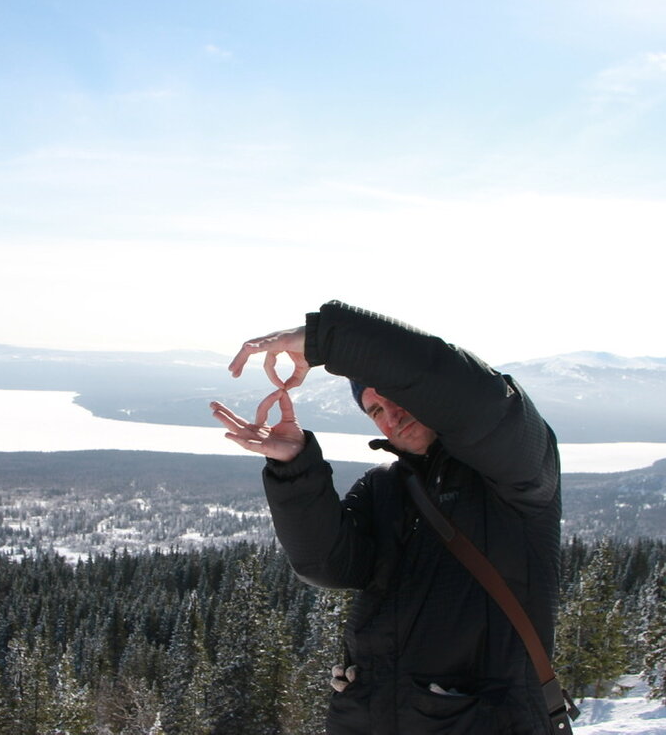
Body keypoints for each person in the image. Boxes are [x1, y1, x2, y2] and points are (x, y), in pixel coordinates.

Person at [210, 300, 562, 734]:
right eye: (375, 410)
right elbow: (329, 564)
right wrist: (295, 466)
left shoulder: (513, 474)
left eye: (397, 399)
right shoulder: (386, 488)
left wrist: (333, 340)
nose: (391, 416)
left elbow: (483, 404)